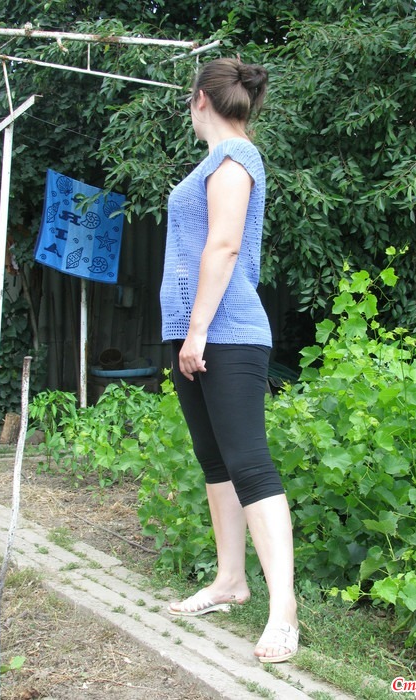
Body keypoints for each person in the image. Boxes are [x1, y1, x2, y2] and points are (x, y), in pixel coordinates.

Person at [159, 57, 298, 663]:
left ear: (200, 100)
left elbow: (224, 244)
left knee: (249, 464)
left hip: (226, 332)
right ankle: (229, 581)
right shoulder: (214, 161)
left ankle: (284, 612)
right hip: (192, 333)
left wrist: (197, 331)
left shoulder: (236, 158)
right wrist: (185, 333)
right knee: (215, 460)